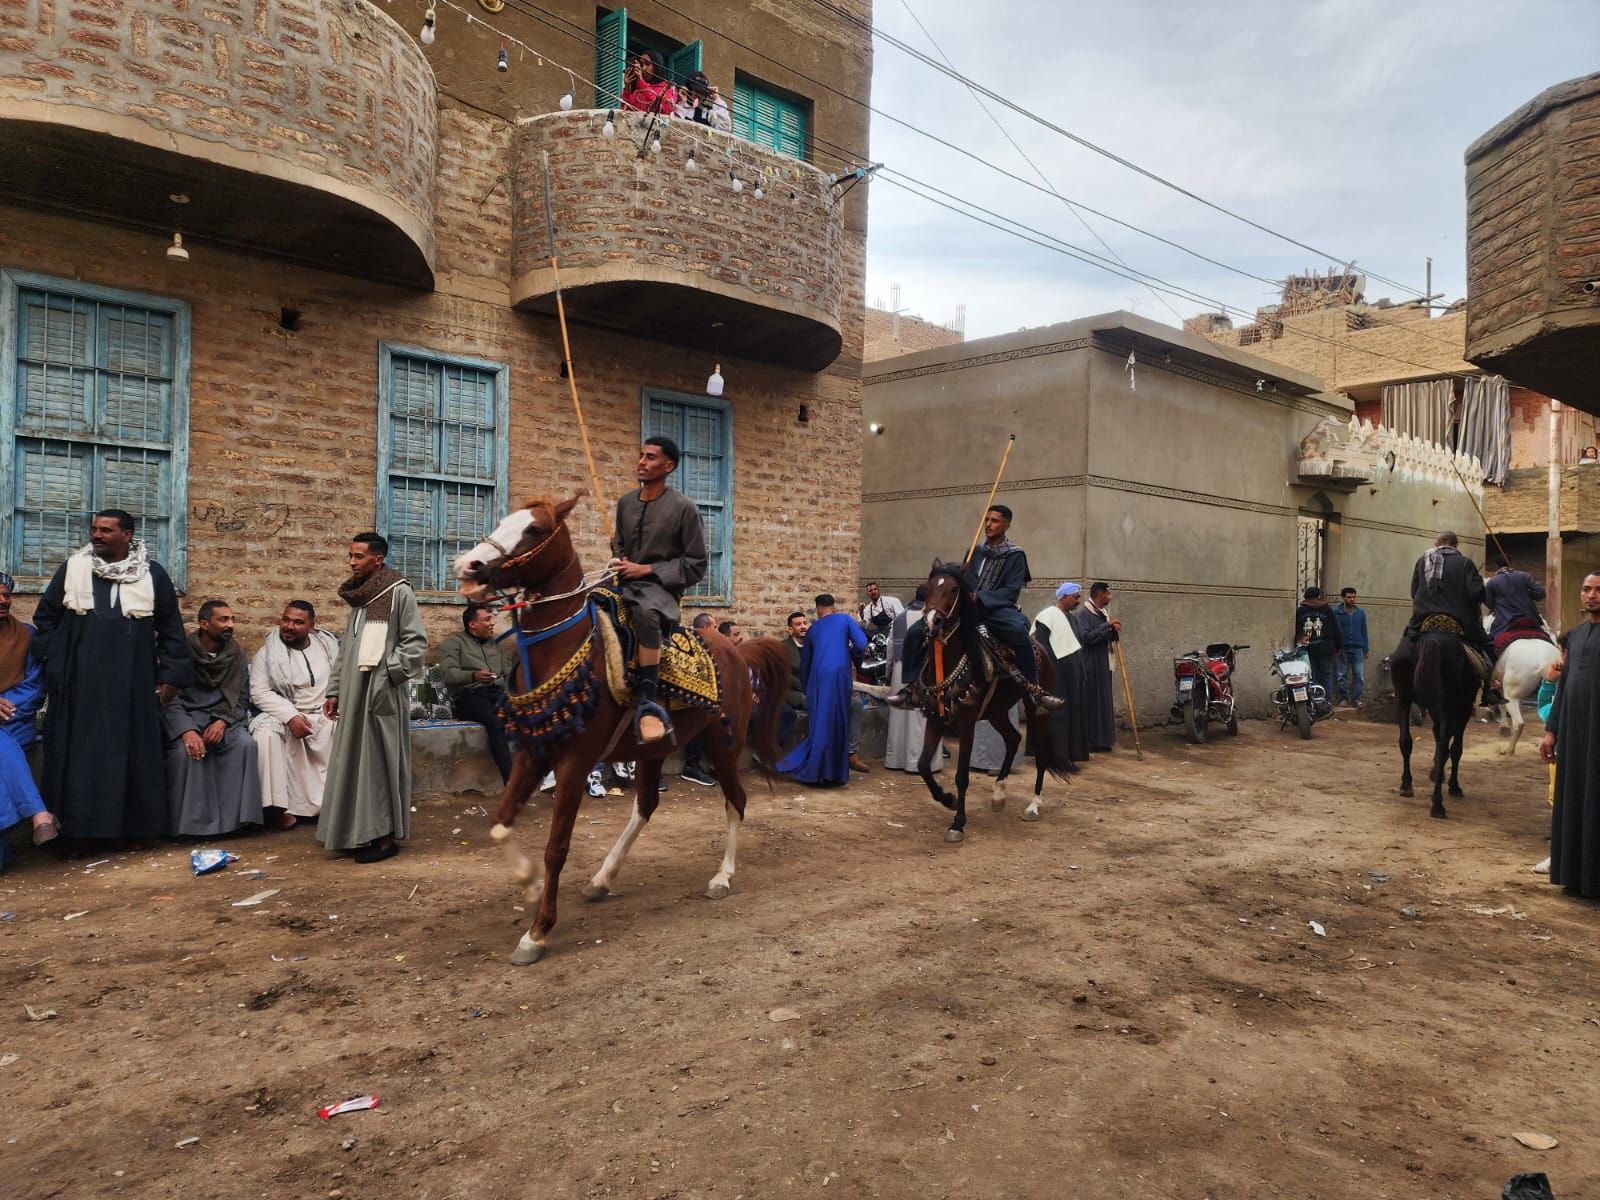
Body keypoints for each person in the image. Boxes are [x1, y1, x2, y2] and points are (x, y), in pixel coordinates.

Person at [32, 510, 192, 843]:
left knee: (132, 753)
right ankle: (78, 836)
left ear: (127, 536)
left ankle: (135, 834)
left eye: (106, 530)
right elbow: (46, 618)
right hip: (81, 685)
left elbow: (172, 628)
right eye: (94, 529)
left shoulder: (153, 574)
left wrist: (170, 677)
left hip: (133, 684)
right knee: (80, 758)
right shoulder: (73, 569)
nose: (97, 535)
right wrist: (62, 659)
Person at [318, 532, 428, 864]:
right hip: (353, 694)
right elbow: (347, 650)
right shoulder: (361, 599)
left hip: (381, 695)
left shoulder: (399, 593)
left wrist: (385, 673)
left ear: (377, 560)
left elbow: (415, 645)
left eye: (359, 556)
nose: (352, 562)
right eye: (350, 556)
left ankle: (382, 839)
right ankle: (356, 833)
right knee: (353, 763)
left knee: (378, 764)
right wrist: (335, 688)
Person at [892, 505, 1062, 710]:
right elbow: (963, 581)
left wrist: (980, 596)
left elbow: (1010, 592)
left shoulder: (1015, 555)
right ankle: (911, 689)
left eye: (995, 521)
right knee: (917, 631)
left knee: (1018, 632)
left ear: (1006, 525)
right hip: (968, 607)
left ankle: (1034, 689)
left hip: (997, 609)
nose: (988, 525)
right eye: (987, 520)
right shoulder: (975, 550)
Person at [610, 436, 708, 744]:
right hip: (624, 581)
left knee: (644, 615)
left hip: (660, 590)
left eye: (650, 457)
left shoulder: (684, 508)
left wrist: (647, 569)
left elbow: (696, 564)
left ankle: (649, 700)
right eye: (640, 455)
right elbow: (620, 543)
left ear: (668, 466)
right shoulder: (625, 502)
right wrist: (620, 558)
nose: (641, 462)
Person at [162, 600, 263, 838]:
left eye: (232, 619)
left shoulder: (235, 654)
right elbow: (169, 699)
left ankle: (235, 824)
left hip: (224, 718)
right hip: (187, 719)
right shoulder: (181, 653)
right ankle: (190, 828)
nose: (230, 625)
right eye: (223, 619)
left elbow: (241, 697)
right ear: (204, 624)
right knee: (184, 752)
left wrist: (222, 722)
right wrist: (187, 731)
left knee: (244, 745)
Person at [250, 599, 339, 829]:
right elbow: (259, 692)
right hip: (287, 714)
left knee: (357, 725)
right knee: (265, 733)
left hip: (325, 714)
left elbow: (342, 679)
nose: (289, 626)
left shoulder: (329, 646)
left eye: (298, 622)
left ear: (312, 625)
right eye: (286, 620)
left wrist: (337, 697)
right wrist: (290, 716)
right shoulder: (268, 653)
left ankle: (341, 807)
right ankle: (276, 811)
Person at [1540, 573, 1600, 896]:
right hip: (1575, 737)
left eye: (1598, 590)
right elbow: (1562, 689)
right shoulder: (1574, 638)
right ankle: (1575, 877)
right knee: (1574, 797)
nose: (1591, 595)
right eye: (1586, 589)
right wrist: (1552, 732)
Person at [778, 595, 868, 785]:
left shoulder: (814, 630)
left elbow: (806, 664)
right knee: (839, 721)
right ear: (833, 607)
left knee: (821, 724)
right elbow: (861, 644)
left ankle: (817, 771)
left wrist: (809, 686)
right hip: (840, 676)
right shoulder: (845, 619)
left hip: (818, 680)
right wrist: (854, 658)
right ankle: (836, 772)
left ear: (817, 610)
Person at [0, 571, 57, 865]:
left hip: (14, 722)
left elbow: (34, 688)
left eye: (7, 595)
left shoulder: (25, 635)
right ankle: (39, 814)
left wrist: (4, 707)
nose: (3, 600)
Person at [1403, 530, 1493, 701]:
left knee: (1406, 642)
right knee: (1487, 647)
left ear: (1437, 543)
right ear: (1455, 545)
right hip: (1459, 622)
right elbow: (1475, 594)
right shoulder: (1465, 563)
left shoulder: (1422, 561)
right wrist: (1481, 586)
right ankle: (1489, 690)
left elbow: (1414, 592)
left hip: (1423, 621)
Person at [437, 603, 515, 784]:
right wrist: (473, 676)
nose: (492, 623)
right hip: (468, 697)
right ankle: (511, 781)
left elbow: (508, 674)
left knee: (531, 716)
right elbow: (448, 675)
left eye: (492, 619)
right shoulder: (454, 643)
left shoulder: (495, 645)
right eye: (487, 619)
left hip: (496, 694)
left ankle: (545, 774)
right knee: (495, 722)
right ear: (472, 624)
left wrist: (499, 682)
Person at [885, 585, 945, 773]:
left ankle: (896, 759)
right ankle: (920, 763)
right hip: (924, 670)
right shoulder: (932, 618)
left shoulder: (899, 617)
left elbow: (890, 648)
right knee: (923, 716)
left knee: (900, 716)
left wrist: (889, 672)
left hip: (900, 668)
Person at [1033, 582, 1091, 766]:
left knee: (1072, 712)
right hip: (1056, 674)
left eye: (1078, 597)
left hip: (1071, 675)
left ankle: (1071, 753)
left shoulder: (1072, 619)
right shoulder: (1047, 616)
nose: (1078, 600)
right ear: (1063, 597)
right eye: (1075, 597)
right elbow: (1042, 646)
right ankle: (1056, 756)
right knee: (1058, 714)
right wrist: (1054, 671)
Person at [1073, 582, 1121, 752]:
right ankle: (1090, 741)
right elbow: (1086, 638)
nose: (1110, 597)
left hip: (1104, 664)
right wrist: (1107, 626)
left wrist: (1112, 629)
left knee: (1103, 702)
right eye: (1108, 594)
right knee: (1091, 703)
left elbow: (1103, 636)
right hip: (1090, 665)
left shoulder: (1102, 614)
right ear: (1100, 594)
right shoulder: (1083, 614)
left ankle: (1102, 741)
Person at [680, 613, 718, 787]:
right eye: (715, 627)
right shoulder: (689, 645)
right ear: (706, 628)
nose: (717, 632)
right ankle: (691, 766)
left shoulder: (712, 647)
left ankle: (715, 764)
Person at [1294, 587, 1343, 706]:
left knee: (1311, 675)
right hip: (1326, 648)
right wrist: (1338, 646)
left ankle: (1314, 700)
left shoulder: (1300, 611)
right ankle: (1326, 701)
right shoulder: (1327, 610)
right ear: (1318, 596)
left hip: (1308, 649)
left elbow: (1296, 630)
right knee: (1326, 674)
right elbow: (1336, 629)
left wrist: (1297, 644)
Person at [1485, 557, 1548, 646]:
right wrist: (1527, 594)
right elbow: (1540, 594)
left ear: (1497, 566)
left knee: (1491, 642)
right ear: (1511, 563)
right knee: (1548, 636)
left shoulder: (1492, 582)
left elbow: (1489, 603)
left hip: (1504, 621)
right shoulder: (1524, 576)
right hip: (1529, 616)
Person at [1332, 588, 1369, 708]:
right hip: (1342, 649)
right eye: (1349, 597)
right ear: (1343, 598)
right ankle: (1343, 698)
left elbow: (1364, 631)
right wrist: (1335, 647)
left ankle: (1356, 699)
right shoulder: (1336, 612)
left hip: (1358, 649)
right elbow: (1333, 632)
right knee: (1341, 675)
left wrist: (1366, 649)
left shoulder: (1360, 613)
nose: (1352, 599)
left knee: (1359, 675)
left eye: (1354, 597)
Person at [780, 610, 808, 748]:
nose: (803, 626)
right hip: (793, 693)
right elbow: (783, 674)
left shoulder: (812, 645)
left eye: (804, 623)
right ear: (790, 629)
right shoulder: (783, 647)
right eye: (798, 624)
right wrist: (804, 686)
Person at [621, 49, 676, 114]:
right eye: (641, 65)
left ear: (657, 66)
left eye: (648, 64)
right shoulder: (636, 89)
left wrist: (642, 83)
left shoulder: (668, 87)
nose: (643, 68)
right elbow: (624, 113)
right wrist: (627, 88)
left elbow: (667, 109)